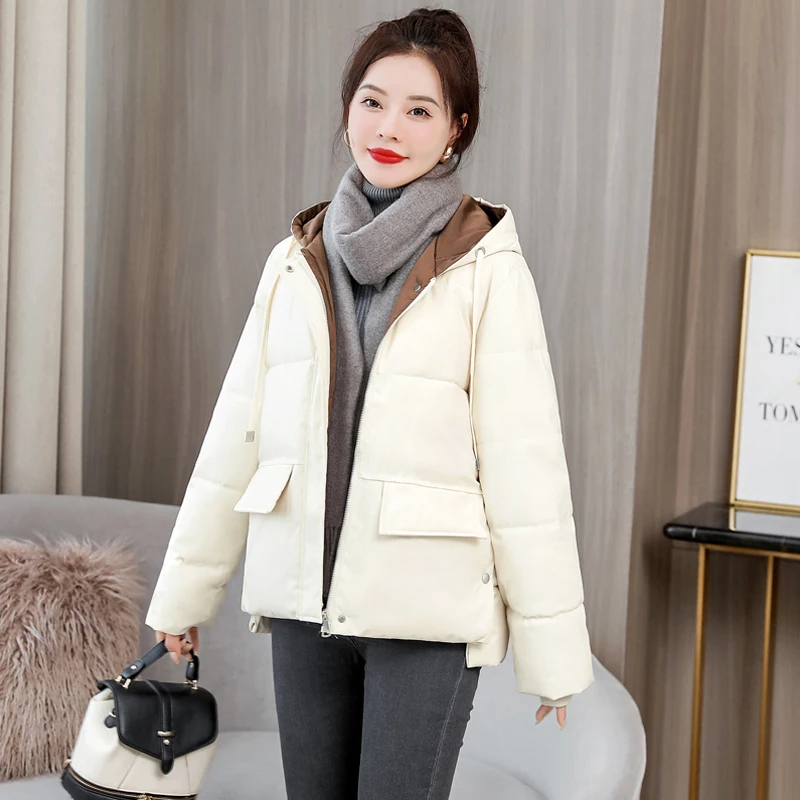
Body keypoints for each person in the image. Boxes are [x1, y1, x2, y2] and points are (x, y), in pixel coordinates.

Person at [145, 7, 594, 799]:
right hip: (303, 609)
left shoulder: (486, 267)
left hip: (424, 617)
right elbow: (233, 440)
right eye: (373, 101)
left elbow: (525, 467)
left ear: (455, 130)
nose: (389, 127)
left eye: (419, 110)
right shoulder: (294, 260)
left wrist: (553, 652)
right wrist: (182, 598)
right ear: (348, 107)